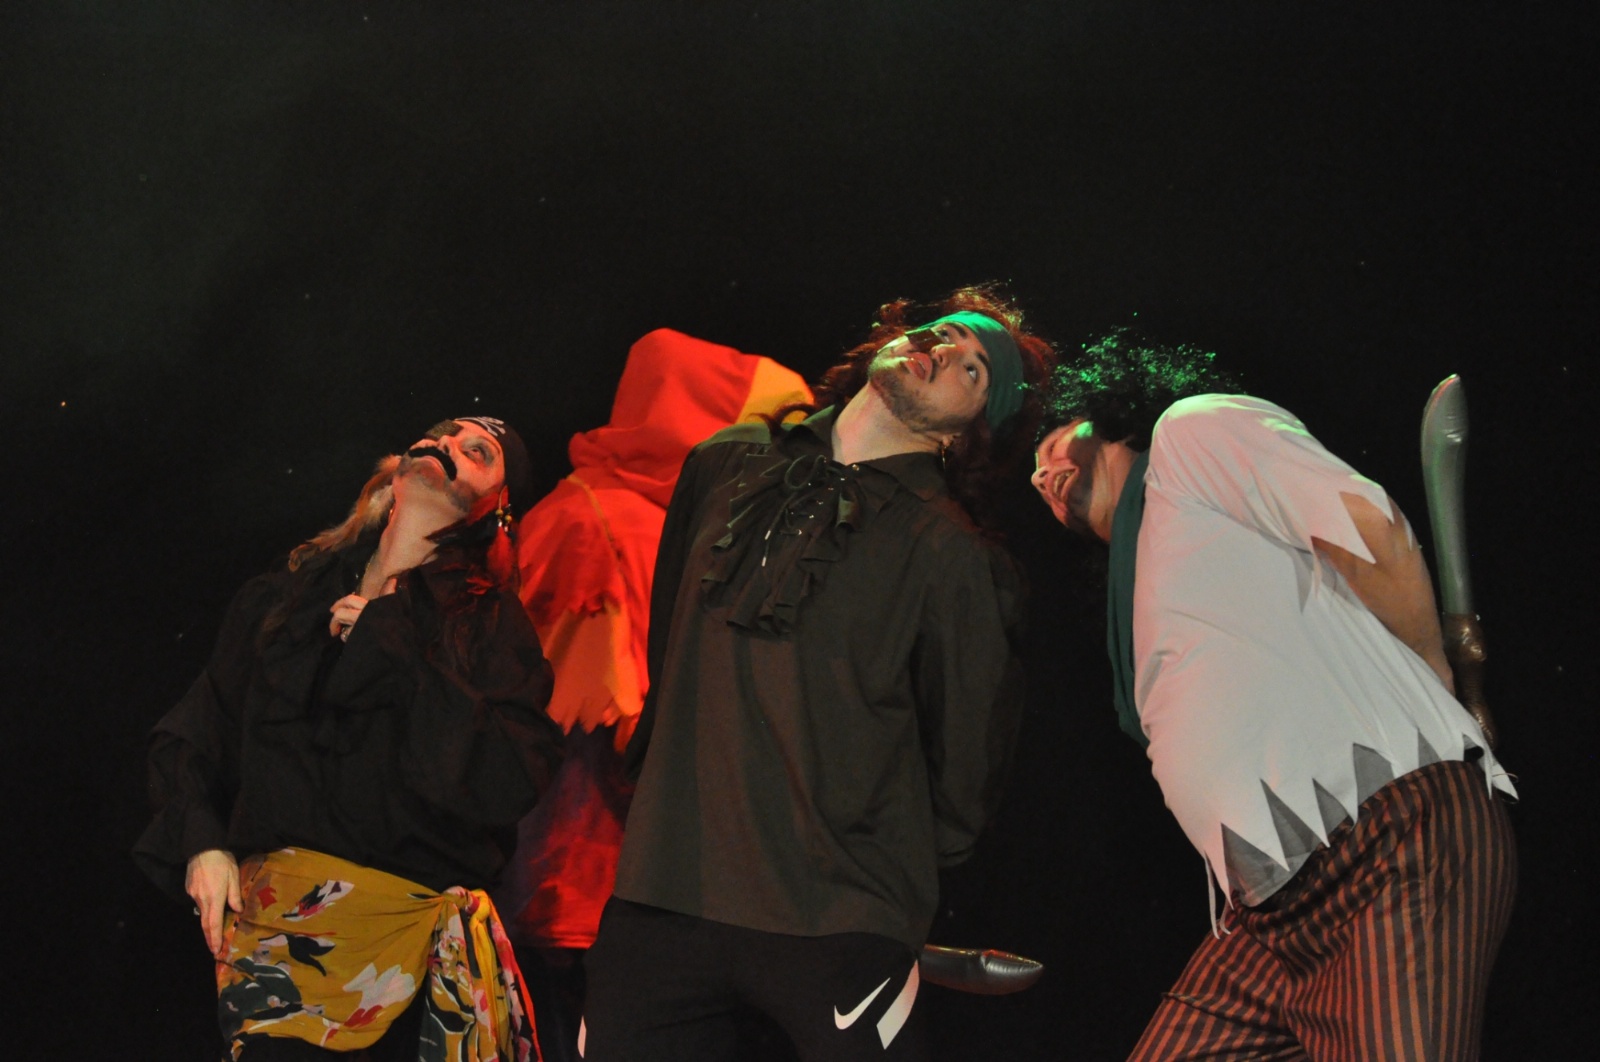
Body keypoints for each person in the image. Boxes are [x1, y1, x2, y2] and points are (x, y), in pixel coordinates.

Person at [578, 287, 1054, 1062]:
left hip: (840, 919)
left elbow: (967, 768)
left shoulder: (955, 557)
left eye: (974, 369)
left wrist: (875, 867)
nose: (943, 351)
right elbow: (669, 648)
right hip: (665, 889)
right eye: (941, 333)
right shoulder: (723, 462)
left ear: (971, 432)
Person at [1030, 331, 1518, 1061]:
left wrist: (1436, 681)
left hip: (1386, 837)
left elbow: (1375, 533)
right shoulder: (1150, 591)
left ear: (1109, 414)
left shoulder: (1191, 433)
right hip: (1266, 915)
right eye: (1034, 472)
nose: (1042, 474)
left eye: (1052, 445)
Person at [134, 416, 564, 1062]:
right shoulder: (285, 598)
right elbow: (195, 730)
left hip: (405, 957)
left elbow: (508, 776)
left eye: (477, 451)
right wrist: (201, 842)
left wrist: (394, 651)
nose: (448, 445)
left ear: (496, 507)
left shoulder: (491, 628)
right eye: (443, 433)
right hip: (276, 940)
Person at [493, 329, 811, 1062]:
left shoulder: (649, 521)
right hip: (582, 881)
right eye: (763, 435)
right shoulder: (595, 523)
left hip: (631, 887)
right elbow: (604, 720)